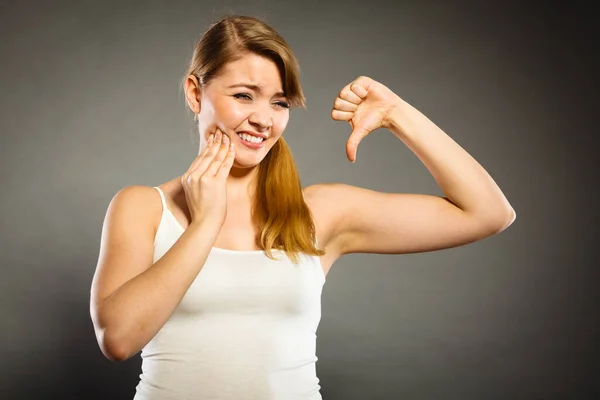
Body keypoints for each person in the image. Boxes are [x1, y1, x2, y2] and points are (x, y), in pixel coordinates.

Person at [89, 14, 515, 400]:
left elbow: (488, 213)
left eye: (279, 102)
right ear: (195, 92)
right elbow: (118, 340)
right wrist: (205, 224)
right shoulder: (143, 208)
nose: (264, 119)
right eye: (244, 96)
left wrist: (396, 114)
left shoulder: (319, 212)